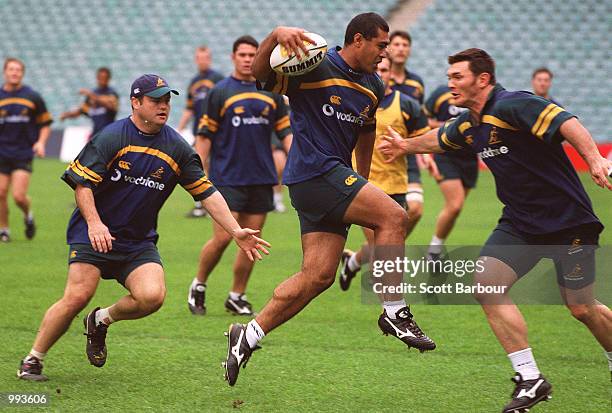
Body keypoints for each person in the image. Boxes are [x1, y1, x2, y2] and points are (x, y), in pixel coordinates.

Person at [378, 48, 612, 413]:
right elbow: (440, 139)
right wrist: (405, 145)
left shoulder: (512, 104)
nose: (450, 82)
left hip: (568, 221)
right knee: (486, 285)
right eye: (449, 76)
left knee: (582, 308)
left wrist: (595, 158)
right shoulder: (470, 123)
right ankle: (530, 378)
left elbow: (566, 121)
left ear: (482, 79)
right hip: (520, 224)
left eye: (458, 76)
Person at [222, 12, 436, 387]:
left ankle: (249, 334)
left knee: (318, 275)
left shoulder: (374, 85)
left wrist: (362, 183)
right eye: (380, 46)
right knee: (395, 216)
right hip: (314, 172)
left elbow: (366, 134)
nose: (384, 54)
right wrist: (275, 35)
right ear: (357, 40)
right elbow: (260, 74)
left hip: (334, 180)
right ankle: (394, 310)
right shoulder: (313, 65)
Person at [17, 74, 270, 381]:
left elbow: (206, 191)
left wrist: (235, 230)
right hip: (92, 232)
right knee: (78, 295)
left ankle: (100, 320)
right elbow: (82, 186)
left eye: (167, 100)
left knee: (152, 296)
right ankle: (33, 359)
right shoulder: (112, 137)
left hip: (137, 241)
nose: (164, 106)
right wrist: (95, 224)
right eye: (156, 100)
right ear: (136, 103)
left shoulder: (177, 147)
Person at [188, 35, 292, 316]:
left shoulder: (271, 91)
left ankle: (237, 295)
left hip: (262, 178)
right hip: (227, 178)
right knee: (223, 239)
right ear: (233, 57)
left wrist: (296, 161)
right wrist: (197, 171)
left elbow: (286, 133)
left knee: (252, 242)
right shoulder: (219, 92)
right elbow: (205, 135)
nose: (247, 59)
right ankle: (199, 284)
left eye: (252, 55)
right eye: (243, 54)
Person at [338, 55, 431, 291]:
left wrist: (425, 154)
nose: (381, 73)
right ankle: (391, 307)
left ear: (393, 73)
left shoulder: (407, 104)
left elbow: (422, 137)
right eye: (378, 68)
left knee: (385, 245)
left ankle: (354, 261)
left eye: (386, 69)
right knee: (383, 252)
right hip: (364, 183)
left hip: (396, 184)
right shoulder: (355, 99)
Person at [422, 84, 479, 261]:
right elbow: (424, 119)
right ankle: (433, 251)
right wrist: (451, 127)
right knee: (455, 204)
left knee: (455, 209)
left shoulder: (474, 96)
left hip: (470, 159)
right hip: (445, 155)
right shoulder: (440, 94)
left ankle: (435, 250)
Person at [0, 57, 52, 242]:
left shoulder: (32, 97)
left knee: (18, 196)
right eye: (11, 69)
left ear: (22, 73)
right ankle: (4, 230)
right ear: (5, 72)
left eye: (18, 70)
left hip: (22, 152)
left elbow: (45, 124)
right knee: (0, 192)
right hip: (2, 152)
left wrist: (41, 142)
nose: (14, 73)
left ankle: (28, 215)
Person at [387, 30, 428, 237]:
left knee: (415, 209)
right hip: (380, 152)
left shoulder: (416, 83)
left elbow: (419, 121)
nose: (401, 48)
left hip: (406, 153)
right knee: (383, 222)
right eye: (397, 44)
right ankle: (359, 261)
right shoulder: (379, 78)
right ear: (388, 48)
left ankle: (357, 260)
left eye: (405, 45)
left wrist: (425, 152)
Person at [177, 45, 225, 218]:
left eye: (205, 57)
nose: (202, 60)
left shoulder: (218, 79)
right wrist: (179, 129)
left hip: (217, 130)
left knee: (215, 166)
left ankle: (217, 204)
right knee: (201, 164)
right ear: (196, 59)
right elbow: (189, 108)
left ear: (209, 58)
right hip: (200, 132)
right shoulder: (194, 82)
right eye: (199, 57)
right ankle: (201, 204)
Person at [60, 67, 119, 136]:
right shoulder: (92, 95)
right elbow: (81, 111)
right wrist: (67, 115)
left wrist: (90, 94)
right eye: (100, 77)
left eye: (104, 78)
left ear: (108, 79)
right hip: (96, 133)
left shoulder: (111, 93)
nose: (102, 80)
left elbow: (110, 105)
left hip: (109, 133)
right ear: (97, 78)